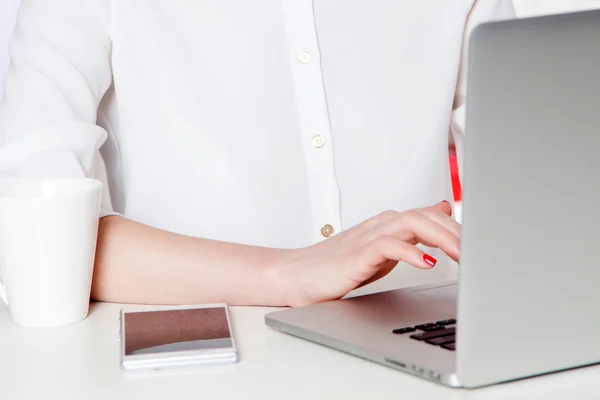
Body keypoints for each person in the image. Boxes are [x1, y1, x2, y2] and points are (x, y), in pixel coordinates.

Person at [0, 0, 515, 307]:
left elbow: (534, 196)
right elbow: (32, 242)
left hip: (416, 330)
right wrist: (287, 274)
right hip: (200, 349)